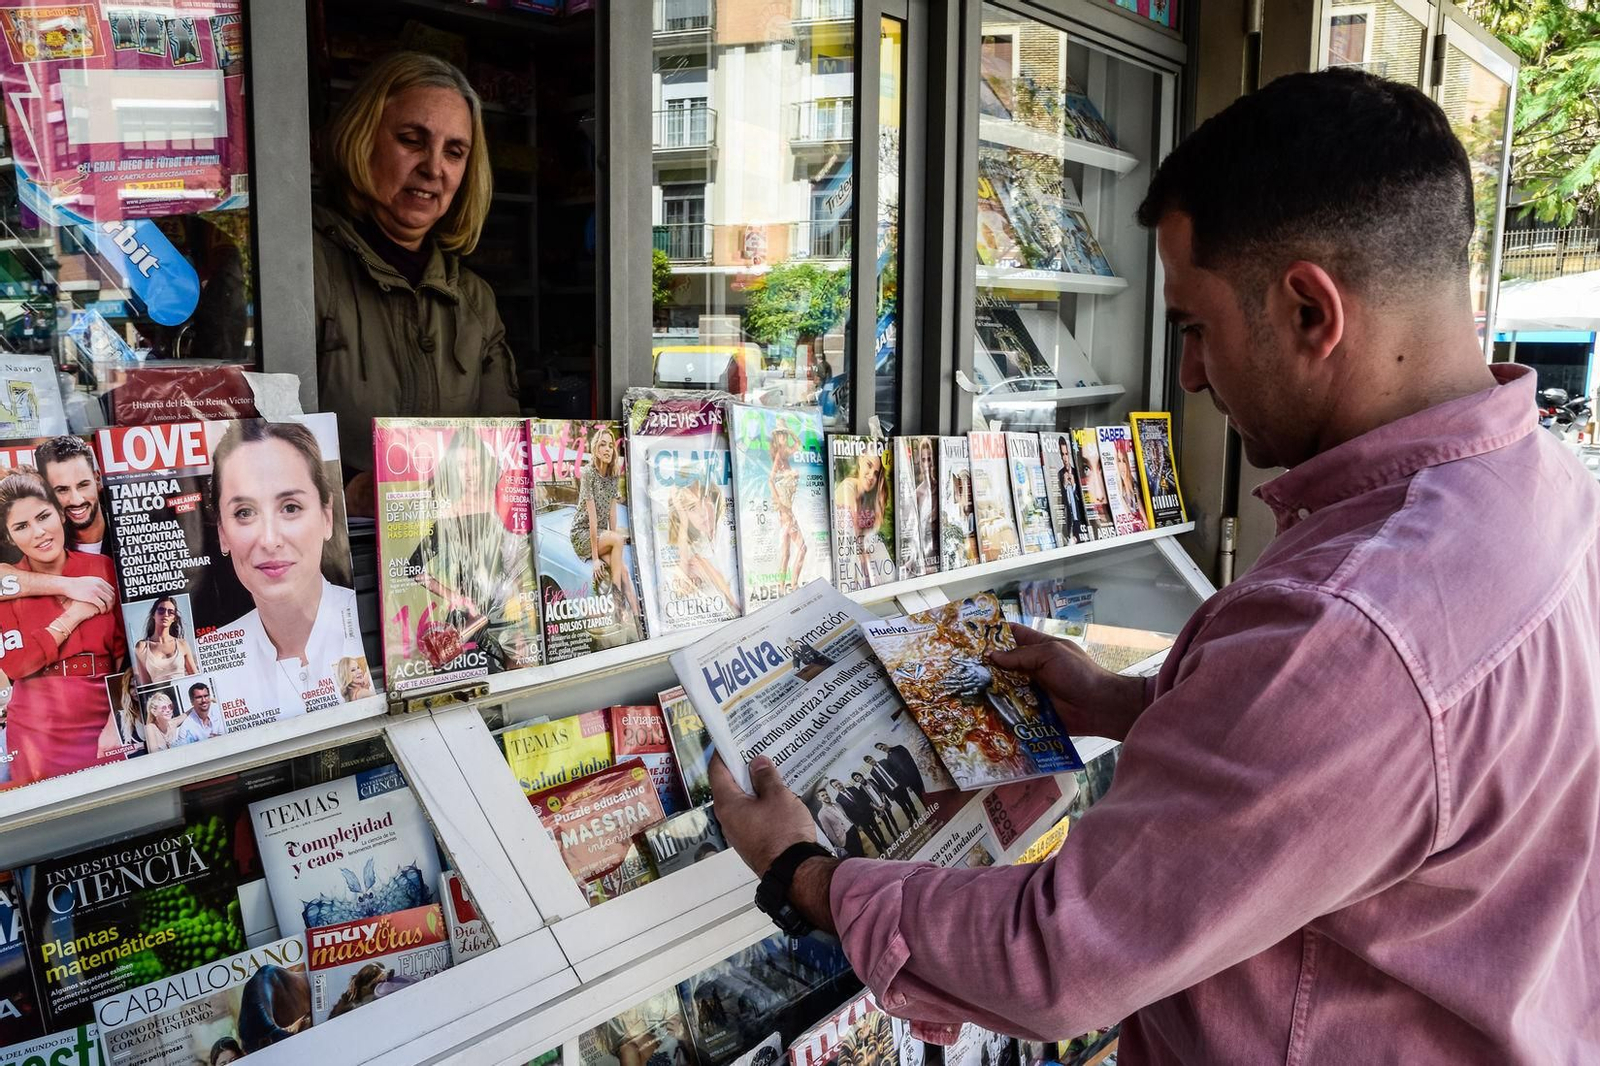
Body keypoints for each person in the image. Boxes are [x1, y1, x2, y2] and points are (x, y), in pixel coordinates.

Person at [709, 69, 1600, 1062]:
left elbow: (1056, 957)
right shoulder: (1545, 487)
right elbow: (1389, 780)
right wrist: (1125, 702)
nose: (1189, 375)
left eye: (1195, 327)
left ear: (1311, 311)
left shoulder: (1353, 623)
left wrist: (802, 872)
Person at [314, 51, 520, 513]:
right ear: (362, 138)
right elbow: (248, 445)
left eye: (454, 152)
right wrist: (347, 492)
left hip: (454, 547)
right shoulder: (300, 267)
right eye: (411, 140)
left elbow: (500, 454)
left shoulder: (474, 301)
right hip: (337, 549)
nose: (434, 167)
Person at [209, 420, 367, 720]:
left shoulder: (376, 624)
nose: (270, 540)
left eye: (290, 507)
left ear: (326, 516)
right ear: (222, 533)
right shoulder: (202, 663)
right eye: (245, 513)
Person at [0, 469, 126, 787]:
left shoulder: (102, 567)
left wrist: (117, 718)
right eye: (21, 527)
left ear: (60, 513)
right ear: (10, 537)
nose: (39, 532)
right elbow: (16, 664)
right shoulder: (9, 588)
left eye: (43, 516)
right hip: (37, 732)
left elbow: (125, 654)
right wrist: (73, 615)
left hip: (105, 719)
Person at [571, 423, 642, 631]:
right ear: (595, 448)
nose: (608, 449)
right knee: (617, 539)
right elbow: (592, 520)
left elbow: (612, 513)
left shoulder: (613, 475)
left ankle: (639, 622)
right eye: (602, 444)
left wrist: (613, 539)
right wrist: (595, 559)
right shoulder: (588, 473)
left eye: (610, 445)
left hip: (602, 535)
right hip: (582, 534)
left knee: (625, 572)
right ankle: (618, 604)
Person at [35, 437, 108, 555]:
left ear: (97, 479)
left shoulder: (128, 529)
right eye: (62, 490)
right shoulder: (41, 543)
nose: (76, 500)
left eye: (83, 485)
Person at [832, 448, 891, 586]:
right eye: (869, 465)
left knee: (878, 547)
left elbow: (869, 537)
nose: (871, 476)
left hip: (860, 551)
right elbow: (855, 537)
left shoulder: (870, 498)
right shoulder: (847, 489)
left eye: (876, 473)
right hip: (845, 554)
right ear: (860, 460)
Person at [768, 426, 807, 593]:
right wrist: (778, 501)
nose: (784, 437)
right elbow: (770, 480)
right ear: (777, 439)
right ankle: (794, 584)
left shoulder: (785, 455)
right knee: (802, 548)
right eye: (781, 435)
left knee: (786, 554)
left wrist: (790, 431)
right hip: (785, 510)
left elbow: (799, 444)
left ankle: (781, 587)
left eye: (784, 435)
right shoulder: (779, 456)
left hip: (785, 509)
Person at [133, 595, 198, 685]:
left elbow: (195, 677)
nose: (165, 614)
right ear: (153, 615)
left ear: (174, 618)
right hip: (160, 693)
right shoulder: (142, 647)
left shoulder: (182, 644)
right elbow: (146, 684)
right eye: (161, 610)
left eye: (170, 612)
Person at [172, 681, 224, 746]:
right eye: (199, 697)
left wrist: (221, 739)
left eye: (206, 696)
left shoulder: (221, 711)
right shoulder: (186, 727)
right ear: (191, 701)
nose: (204, 700)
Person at [140, 690, 180, 755]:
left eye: (170, 706)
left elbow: (185, 715)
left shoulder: (172, 723)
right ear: (154, 712)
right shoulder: (150, 728)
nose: (168, 710)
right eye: (164, 708)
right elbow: (154, 756)